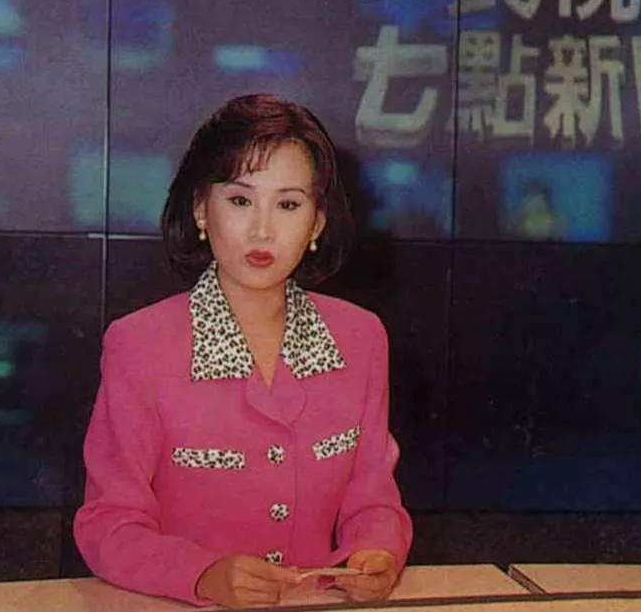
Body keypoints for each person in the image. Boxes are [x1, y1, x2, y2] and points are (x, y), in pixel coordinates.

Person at [74, 94, 413, 608]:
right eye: (239, 200)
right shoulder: (139, 346)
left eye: (288, 204)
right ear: (200, 209)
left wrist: (376, 553)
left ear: (317, 223)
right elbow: (108, 522)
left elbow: (373, 499)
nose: (262, 230)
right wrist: (201, 575)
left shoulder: (360, 338)